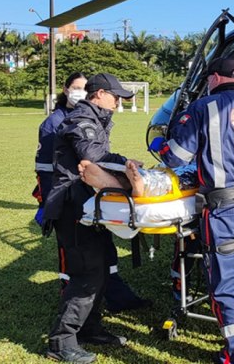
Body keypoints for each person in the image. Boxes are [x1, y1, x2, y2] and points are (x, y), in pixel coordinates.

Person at [156, 57, 234, 364]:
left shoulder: (203, 108)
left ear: (214, 78)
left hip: (224, 208)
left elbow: (175, 157)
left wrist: (162, 143)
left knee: (226, 285)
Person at [43, 73, 142, 364]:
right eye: (116, 98)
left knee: (100, 269)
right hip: (73, 206)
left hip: (91, 205)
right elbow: (93, 154)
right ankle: (61, 341)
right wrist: (127, 165)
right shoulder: (81, 120)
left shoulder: (95, 118)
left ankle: (90, 328)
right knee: (86, 274)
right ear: (98, 94)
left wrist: (128, 164)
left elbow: (102, 155)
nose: (119, 104)